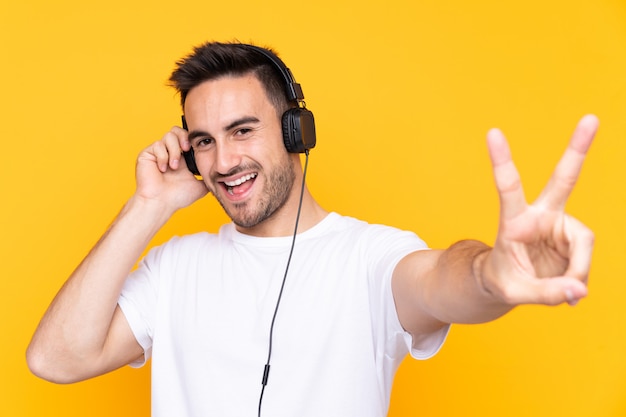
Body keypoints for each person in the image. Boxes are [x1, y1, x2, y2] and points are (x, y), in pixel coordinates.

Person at [26, 41, 598, 417]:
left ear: (296, 130)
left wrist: (493, 274)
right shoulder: (173, 268)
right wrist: (147, 206)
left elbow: (443, 280)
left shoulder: (371, 257)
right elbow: (56, 360)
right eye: (204, 141)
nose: (223, 162)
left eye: (243, 130)